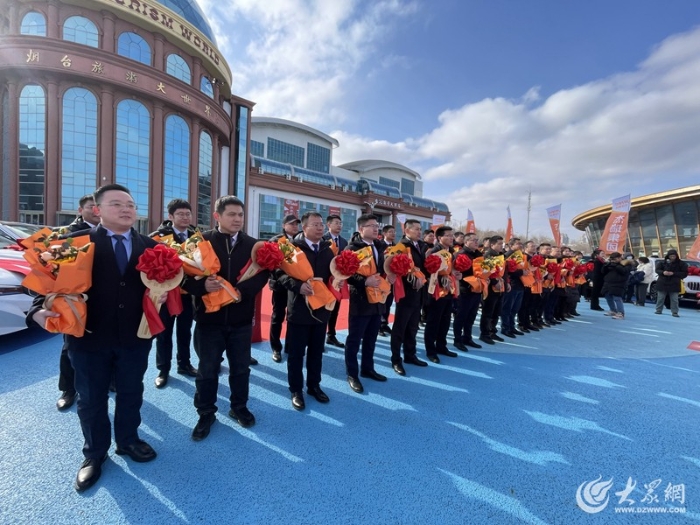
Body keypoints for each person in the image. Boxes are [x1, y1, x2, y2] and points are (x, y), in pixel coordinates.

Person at [28, 184, 160, 492]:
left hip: (135, 337)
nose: (126, 209)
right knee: (90, 398)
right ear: (98, 209)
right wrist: (36, 309)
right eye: (117, 204)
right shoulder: (74, 243)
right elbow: (45, 281)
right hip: (88, 338)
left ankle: (128, 440)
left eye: (130, 204)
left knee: (131, 392)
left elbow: (168, 286)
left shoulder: (152, 247)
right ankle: (95, 454)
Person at [185, 195, 269, 441]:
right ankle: (205, 412)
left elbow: (263, 275)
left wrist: (242, 292)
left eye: (240, 215)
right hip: (208, 321)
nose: (237, 219)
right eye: (231, 214)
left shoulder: (254, 245)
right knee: (207, 369)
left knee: (241, 368)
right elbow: (182, 278)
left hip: (241, 320)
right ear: (217, 216)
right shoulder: (200, 243)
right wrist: (202, 287)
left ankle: (239, 406)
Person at [276, 212, 334, 410]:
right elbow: (279, 273)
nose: (320, 228)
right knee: (296, 354)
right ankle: (296, 390)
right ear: (304, 227)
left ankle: (313, 386)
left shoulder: (328, 249)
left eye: (321, 224)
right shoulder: (292, 249)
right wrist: (297, 286)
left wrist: (338, 280)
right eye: (315, 225)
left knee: (317, 352)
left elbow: (333, 275)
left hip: (321, 309)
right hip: (299, 309)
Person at [53, 194, 99, 411]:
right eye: (91, 207)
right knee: (70, 346)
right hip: (74, 300)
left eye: (98, 206)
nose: (96, 210)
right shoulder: (67, 234)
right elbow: (53, 270)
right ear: (80, 210)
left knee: (107, 343)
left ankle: (109, 381)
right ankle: (68, 388)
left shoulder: (114, 232)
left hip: (104, 299)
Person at [149, 198, 198, 388]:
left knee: (185, 331)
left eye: (188, 214)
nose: (185, 217)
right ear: (170, 216)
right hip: (166, 293)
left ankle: (184, 364)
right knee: (164, 333)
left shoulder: (197, 236)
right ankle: (163, 369)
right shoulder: (158, 237)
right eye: (180, 214)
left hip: (188, 293)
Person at [344, 214, 388, 393]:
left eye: (377, 225)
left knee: (371, 338)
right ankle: (352, 374)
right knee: (354, 339)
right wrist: (364, 281)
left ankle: (368, 368)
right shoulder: (352, 248)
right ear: (361, 229)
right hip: (360, 300)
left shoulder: (380, 246)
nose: (376, 229)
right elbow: (346, 273)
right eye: (372, 226)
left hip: (378, 299)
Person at [389, 220, 428, 375]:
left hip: (419, 293)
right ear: (407, 230)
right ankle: (396, 359)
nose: (419, 232)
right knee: (400, 327)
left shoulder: (421, 246)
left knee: (412, 327)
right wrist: (411, 279)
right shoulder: (401, 247)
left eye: (420, 229)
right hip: (406, 293)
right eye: (416, 229)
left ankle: (410, 355)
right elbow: (395, 268)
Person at [423, 226, 460, 363]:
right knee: (433, 321)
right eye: (448, 235)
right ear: (439, 238)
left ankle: (441, 346)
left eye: (452, 235)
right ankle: (430, 350)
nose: (451, 238)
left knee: (445, 320)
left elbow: (450, 270)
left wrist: (455, 274)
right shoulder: (433, 252)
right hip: (436, 292)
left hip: (448, 290)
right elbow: (428, 273)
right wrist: (441, 278)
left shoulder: (451, 252)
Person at [268, 214, 301, 363]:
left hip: (296, 286)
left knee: (293, 317)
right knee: (278, 316)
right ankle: (276, 348)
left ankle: (290, 345)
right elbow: (271, 264)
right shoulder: (276, 241)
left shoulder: (300, 241)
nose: (295, 226)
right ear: (284, 225)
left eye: (296, 224)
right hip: (280, 285)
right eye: (292, 224)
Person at [452, 232, 483, 349]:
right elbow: (458, 273)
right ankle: (457, 339)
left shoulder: (478, 254)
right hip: (465, 289)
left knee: (472, 315)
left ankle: (467, 337)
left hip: (477, 289)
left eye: (477, 240)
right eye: (474, 240)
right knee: (461, 315)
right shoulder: (461, 254)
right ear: (466, 242)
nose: (476, 242)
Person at [323, 214, 348, 348]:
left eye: (340, 223)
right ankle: (319, 339)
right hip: (325, 281)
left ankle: (331, 335)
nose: (339, 225)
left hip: (338, 281)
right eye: (336, 223)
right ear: (329, 225)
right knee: (323, 309)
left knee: (335, 309)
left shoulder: (344, 242)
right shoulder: (323, 239)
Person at [479, 235, 506, 344]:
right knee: (488, 312)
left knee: (496, 311)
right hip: (490, 288)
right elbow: (487, 272)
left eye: (502, 244)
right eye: (499, 244)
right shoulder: (488, 255)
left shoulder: (501, 255)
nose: (501, 246)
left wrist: (506, 282)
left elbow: (503, 271)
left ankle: (492, 331)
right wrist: (495, 282)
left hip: (500, 286)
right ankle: (485, 333)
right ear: (492, 244)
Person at [500, 237, 525, 338]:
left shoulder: (520, 255)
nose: (520, 246)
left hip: (520, 284)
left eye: (521, 244)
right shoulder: (507, 256)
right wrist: (522, 272)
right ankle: (505, 328)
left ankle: (512, 326)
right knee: (507, 308)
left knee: (515, 308)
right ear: (511, 245)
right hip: (511, 285)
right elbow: (507, 271)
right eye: (518, 244)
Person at [654, 249, 688, 317]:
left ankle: (675, 312)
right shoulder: (662, 263)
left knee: (674, 299)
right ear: (668, 256)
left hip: (674, 283)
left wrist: (674, 273)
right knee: (660, 298)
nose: (672, 257)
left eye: (674, 256)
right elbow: (657, 270)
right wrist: (663, 272)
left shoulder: (681, 264)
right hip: (662, 282)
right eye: (671, 256)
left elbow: (684, 273)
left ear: (676, 256)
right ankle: (658, 310)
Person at [378, 224, 397, 336]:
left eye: (394, 232)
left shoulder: (397, 247)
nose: (393, 234)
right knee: (381, 301)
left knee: (389, 302)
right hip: (381, 278)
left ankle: (385, 323)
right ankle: (379, 325)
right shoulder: (379, 245)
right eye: (390, 232)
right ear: (384, 233)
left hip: (392, 279)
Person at [601, 252, 631, 319]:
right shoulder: (610, 264)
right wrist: (606, 265)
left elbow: (624, 271)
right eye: (613, 259)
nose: (614, 260)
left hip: (619, 283)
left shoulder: (626, 263)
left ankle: (621, 313)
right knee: (607, 297)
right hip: (608, 282)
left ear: (620, 258)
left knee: (617, 298)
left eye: (615, 259)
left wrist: (615, 265)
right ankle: (613, 310)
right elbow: (603, 271)